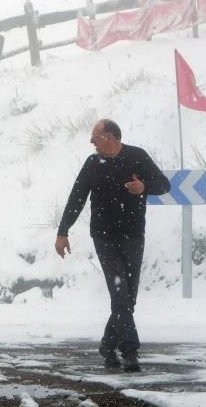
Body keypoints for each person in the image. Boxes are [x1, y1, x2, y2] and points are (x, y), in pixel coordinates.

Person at [54, 119, 170, 372]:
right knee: (120, 294)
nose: (91, 142)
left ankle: (108, 346)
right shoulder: (93, 164)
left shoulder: (137, 156)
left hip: (133, 236)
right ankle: (130, 351)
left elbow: (164, 184)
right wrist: (63, 231)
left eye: (95, 137)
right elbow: (77, 198)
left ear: (110, 137)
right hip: (104, 237)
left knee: (128, 298)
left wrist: (144, 187)